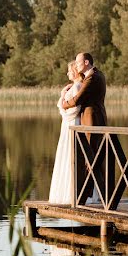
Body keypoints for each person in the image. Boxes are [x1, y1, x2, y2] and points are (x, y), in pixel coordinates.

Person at [60, 52, 107, 204]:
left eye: (78, 62)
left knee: (91, 159)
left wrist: (63, 104)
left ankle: (89, 195)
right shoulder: (96, 74)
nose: (76, 65)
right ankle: (97, 194)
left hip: (92, 121)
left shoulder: (92, 77)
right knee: (94, 157)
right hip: (94, 120)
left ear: (86, 62)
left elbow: (78, 99)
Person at [48, 61, 82, 204]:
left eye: (69, 70)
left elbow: (73, 110)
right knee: (66, 155)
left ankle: (73, 193)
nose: (67, 73)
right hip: (68, 125)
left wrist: (62, 103)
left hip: (73, 124)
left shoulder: (78, 86)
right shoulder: (73, 87)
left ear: (75, 71)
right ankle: (67, 192)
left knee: (71, 155)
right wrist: (63, 96)